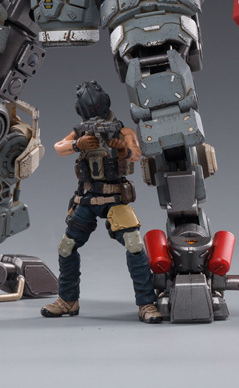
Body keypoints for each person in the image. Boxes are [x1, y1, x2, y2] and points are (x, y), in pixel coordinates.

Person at [41, 81, 163, 323]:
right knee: (66, 247)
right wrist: (78, 144)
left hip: (114, 198)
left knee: (133, 244)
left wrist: (121, 150)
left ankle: (147, 303)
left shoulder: (122, 131)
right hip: (86, 198)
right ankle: (68, 300)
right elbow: (58, 147)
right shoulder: (81, 131)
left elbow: (137, 154)